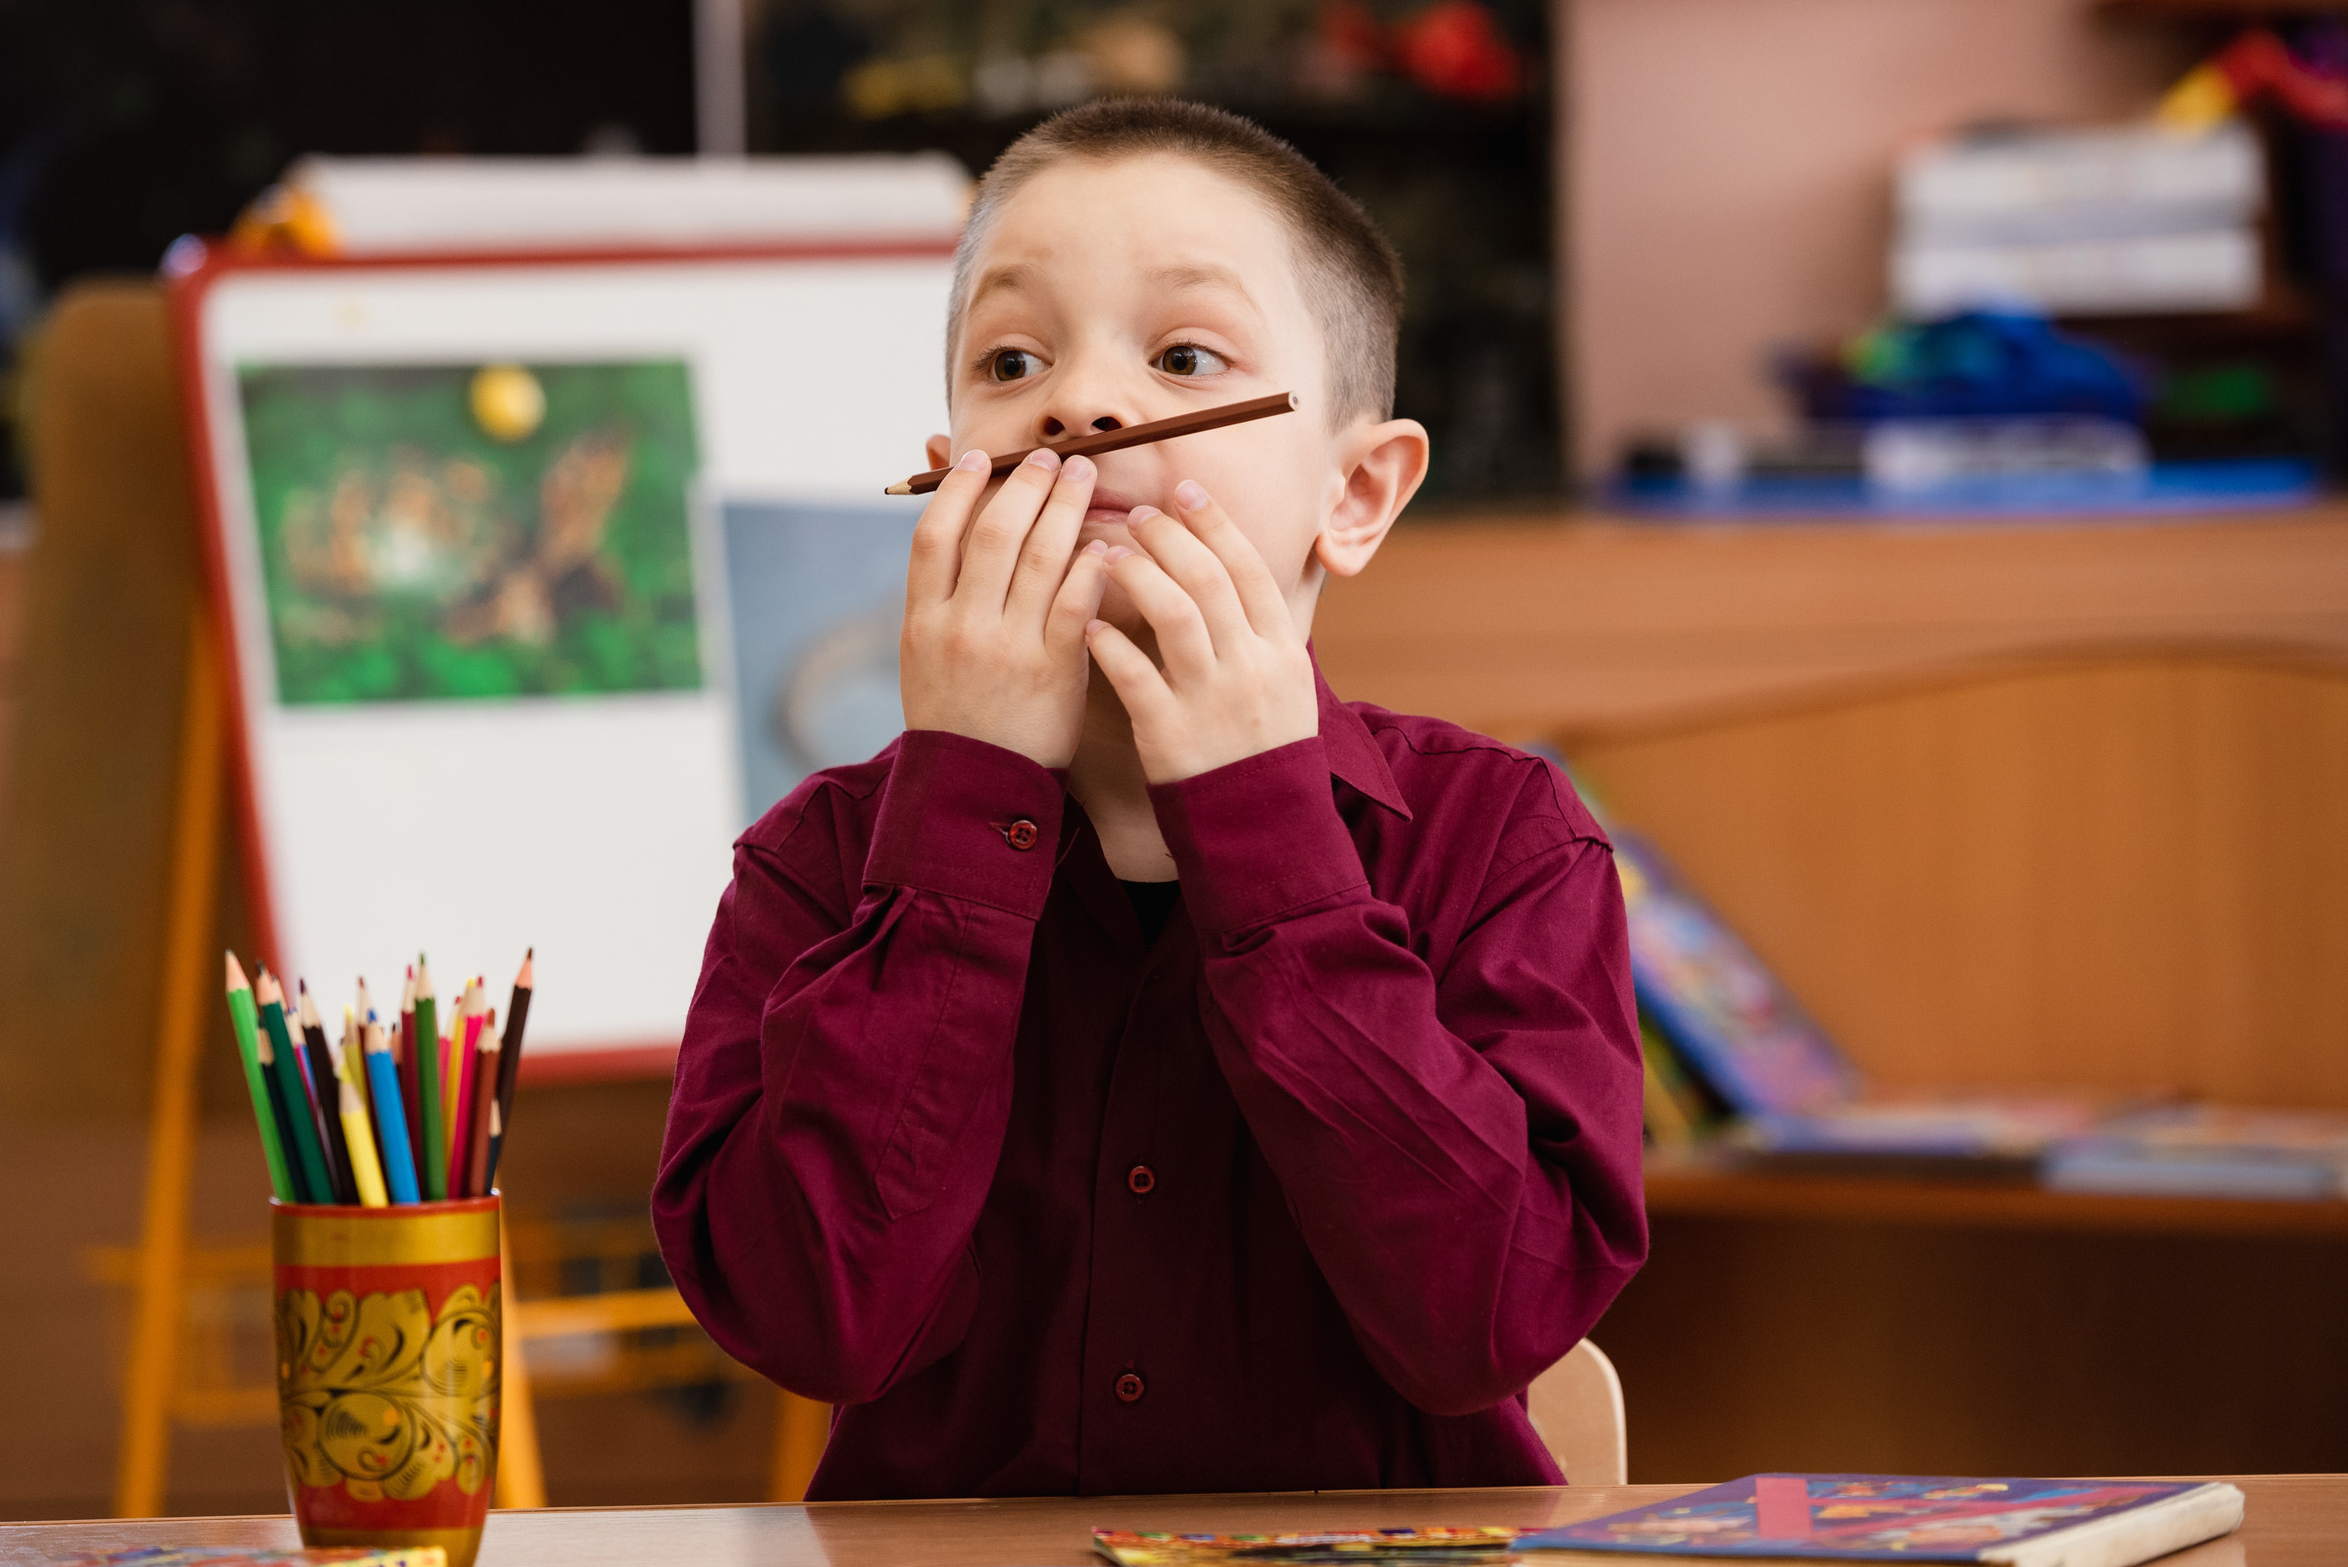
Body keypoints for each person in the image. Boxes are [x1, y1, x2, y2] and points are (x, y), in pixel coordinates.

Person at [653, 97, 1646, 1499]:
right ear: (947, 460)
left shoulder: (1504, 844)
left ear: (1356, 494)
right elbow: (814, 1321)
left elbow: (1487, 1319)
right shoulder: (818, 862)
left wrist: (1263, 828)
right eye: (1012, 360)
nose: (1079, 405)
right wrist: (964, 800)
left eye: (1184, 355)